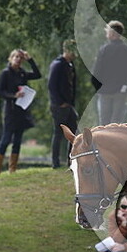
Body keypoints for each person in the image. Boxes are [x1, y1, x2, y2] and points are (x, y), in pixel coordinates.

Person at [0, 49, 42, 175]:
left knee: (17, 140)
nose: (18, 59)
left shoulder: (22, 73)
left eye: (20, 57)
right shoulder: (5, 73)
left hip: (21, 110)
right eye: (16, 57)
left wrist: (30, 60)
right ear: (10, 58)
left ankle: (12, 169)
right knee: (6, 139)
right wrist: (13, 95)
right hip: (10, 111)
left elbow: (38, 75)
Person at [91, 20, 127, 125]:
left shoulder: (103, 50)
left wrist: (98, 87)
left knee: (104, 123)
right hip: (121, 91)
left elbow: (96, 72)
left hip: (104, 91)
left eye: (107, 31)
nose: (106, 34)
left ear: (112, 33)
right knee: (117, 123)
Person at [48, 39, 79, 168]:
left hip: (69, 105)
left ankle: (70, 160)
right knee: (58, 133)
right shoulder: (57, 64)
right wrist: (60, 103)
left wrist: (71, 102)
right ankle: (55, 162)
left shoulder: (70, 65)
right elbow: (52, 86)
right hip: (59, 105)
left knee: (73, 132)